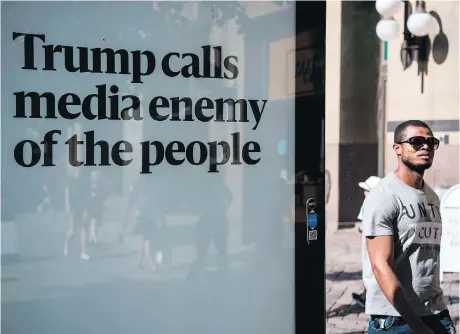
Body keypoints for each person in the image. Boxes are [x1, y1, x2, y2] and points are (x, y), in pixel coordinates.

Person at [362, 120, 455, 333]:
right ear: (397, 148)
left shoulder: (431, 196)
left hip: (435, 311)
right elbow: (380, 265)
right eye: (416, 141)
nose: (425, 147)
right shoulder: (384, 196)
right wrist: (416, 325)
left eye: (431, 142)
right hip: (395, 318)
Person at [352, 175, 381, 307]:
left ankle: (369, 298)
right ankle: (366, 295)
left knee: (371, 268)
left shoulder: (369, 204)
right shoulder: (382, 203)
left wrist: (360, 228)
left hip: (370, 242)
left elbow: (363, 225)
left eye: (367, 190)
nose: (364, 192)